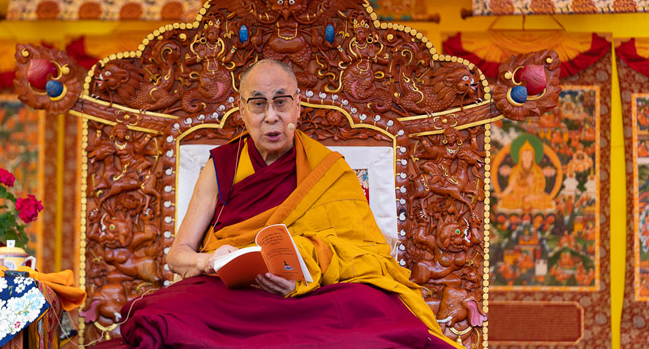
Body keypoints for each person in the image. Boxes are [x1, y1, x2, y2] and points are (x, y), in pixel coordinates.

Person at [110, 59, 461, 348]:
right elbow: (177, 255)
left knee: (375, 312)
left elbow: (369, 255)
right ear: (242, 111)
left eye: (281, 101)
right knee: (163, 314)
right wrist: (207, 261)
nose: (271, 116)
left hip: (311, 296)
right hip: (235, 296)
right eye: (258, 103)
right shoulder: (221, 166)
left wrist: (305, 271)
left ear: (298, 107)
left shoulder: (330, 170)